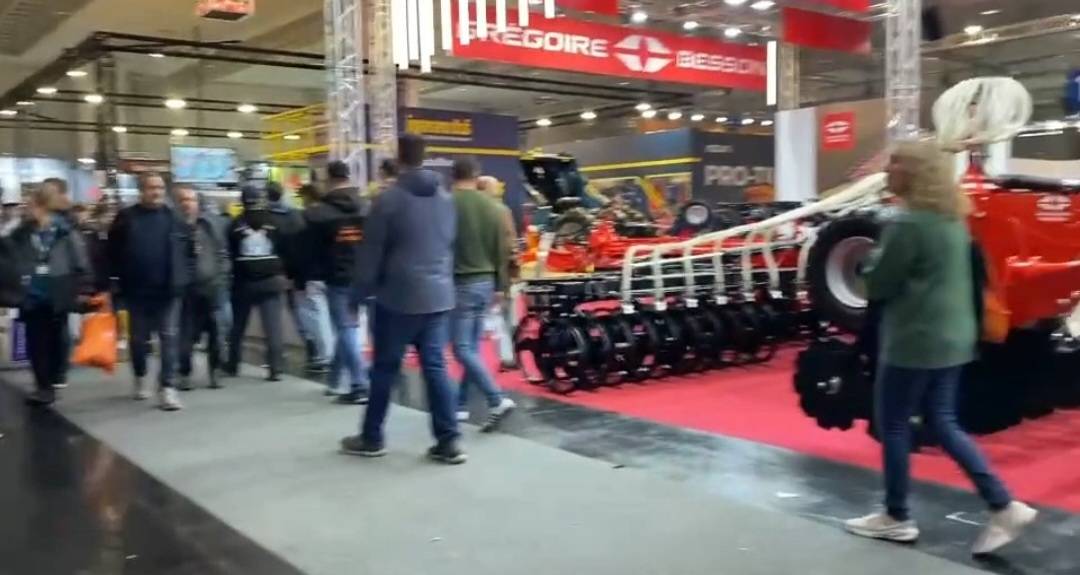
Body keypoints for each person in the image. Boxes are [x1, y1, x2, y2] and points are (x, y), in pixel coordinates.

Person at [844, 140, 1035, 554]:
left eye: (895, 163)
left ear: (913, 173)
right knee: (944, 421)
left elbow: (878, 284)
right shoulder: (953, 220)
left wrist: (869, 263)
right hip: (954, 338)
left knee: (894, 424)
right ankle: (1003, 505)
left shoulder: (907, 225)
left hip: (914, 341)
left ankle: (896, 516)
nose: (888, 169)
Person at [341, 134, 464, 464]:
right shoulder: (446, 199)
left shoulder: (388, 200)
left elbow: (371, 254)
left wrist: (356, 296)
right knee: (435, 368)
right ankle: (449, 441)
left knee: (385, 369)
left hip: (397, 297)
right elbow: (448, 244)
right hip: (438, 295)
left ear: (398, 158)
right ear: (426, 156)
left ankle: (372, 437)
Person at [108, 172, 189, 411]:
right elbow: (111, 252)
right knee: (138, 339)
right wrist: (114, 282)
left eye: (160, 188)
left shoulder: (174, 218)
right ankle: (140, 374)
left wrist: (184, 278)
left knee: (169, 337)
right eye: (151, 188)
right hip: (136, 290)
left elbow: (187, 251)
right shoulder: (126, 218)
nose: (156, 192)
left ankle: (168, 387)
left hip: (168, 290)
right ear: (141, 191)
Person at [3, 187, 90, 406]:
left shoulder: (65, 232)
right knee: (36, 344)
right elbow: (7, 254)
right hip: (30, 296)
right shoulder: (21, 233)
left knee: (57, 340)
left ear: (43, 206)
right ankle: (44, 387)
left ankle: (56, 376)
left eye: (31, 204)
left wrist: (83, 288)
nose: (26, 208)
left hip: (57, 294)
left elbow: (80, 262)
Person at [448, 161, 515, 431]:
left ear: (452, 175)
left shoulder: (447, 204)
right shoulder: (494, 207)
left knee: (461, 348)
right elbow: (501, 250)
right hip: (486, 282)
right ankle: (460, 404)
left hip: (460, 282)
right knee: (471, 348)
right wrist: (501, 286)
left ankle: (496, 398)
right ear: (476, 177)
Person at [303, 161, 370, 404]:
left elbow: (310, 250)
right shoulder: (367, 207)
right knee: (348, 328)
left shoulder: (317, 213)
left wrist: (307, 277)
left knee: (346, 329)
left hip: (337, 277)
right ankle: (334, 379)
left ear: (329, 179)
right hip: (366, 276)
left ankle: (359, 384)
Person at [225, 185, 289, 382]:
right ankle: (275, 368)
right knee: (273, 328)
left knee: (238, 326)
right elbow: (284, 248)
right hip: (271, 280)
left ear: (243, 201)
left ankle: (233, 364)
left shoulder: (235, 223)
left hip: (243, 282)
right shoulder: (274, 221)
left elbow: (230, 251)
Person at [174, 186, 229, 390]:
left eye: (191, 200)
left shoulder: (209, 226)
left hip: (211, 288)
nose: (187, 204)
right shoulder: (174, 228)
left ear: (197, 203)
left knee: (216, 332)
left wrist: (221, 277)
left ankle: (215, 371)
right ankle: (184, 372)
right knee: (185, 334)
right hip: (185, 291)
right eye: (183, 200)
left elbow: (222, 254)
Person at [265, 181, 312, 367]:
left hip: (273, 271)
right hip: (295, 271)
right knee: (299, 311)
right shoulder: (296, 214)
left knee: (273, 315)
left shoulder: (265, 218)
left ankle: (276, 354)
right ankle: (312, 346)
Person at [477, 175, 521, 372]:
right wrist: (515, 263)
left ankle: (506, 355)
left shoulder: (476, 212)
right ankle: (509, 356)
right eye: (495, 187)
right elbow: (510, 241)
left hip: (483, 271)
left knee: (497, 317)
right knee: (506, 316)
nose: (499, 190)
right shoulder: (501, 211)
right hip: (502, 270)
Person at [296, 183, 333, 375]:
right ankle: (336, 354)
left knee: (317, 318)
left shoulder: (305, 218)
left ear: (307, 197)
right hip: (334, 273)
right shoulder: (332, 215)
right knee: (334, 317)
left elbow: (302, 250)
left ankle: (325, 356)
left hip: (313, 274)